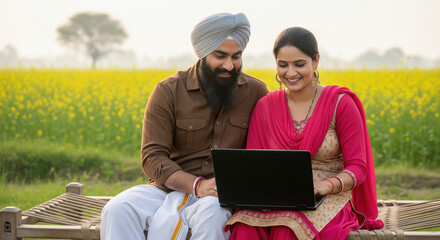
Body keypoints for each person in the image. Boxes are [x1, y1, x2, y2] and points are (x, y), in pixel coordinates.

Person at [100, 13, 269, 240]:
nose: (229, 65)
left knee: (213, 215)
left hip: (221, 197)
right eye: (220, 56)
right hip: (165, 190)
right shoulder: (168, 91)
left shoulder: (256, 92)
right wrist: (196, 185)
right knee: (117, 209)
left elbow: (265, 153)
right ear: (202, 52)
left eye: (236, 56)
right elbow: (152, 157)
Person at [225, 27, 384, 240]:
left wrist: (324, 186)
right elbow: (256, 163)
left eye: (299, 64)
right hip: (276, 196)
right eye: (283, 65)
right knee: (244, 228)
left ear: (315, 61)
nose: (290, 73)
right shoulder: (266, 106)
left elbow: (358, 167)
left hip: (329, 195)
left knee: (288, 230)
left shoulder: (340, 104)